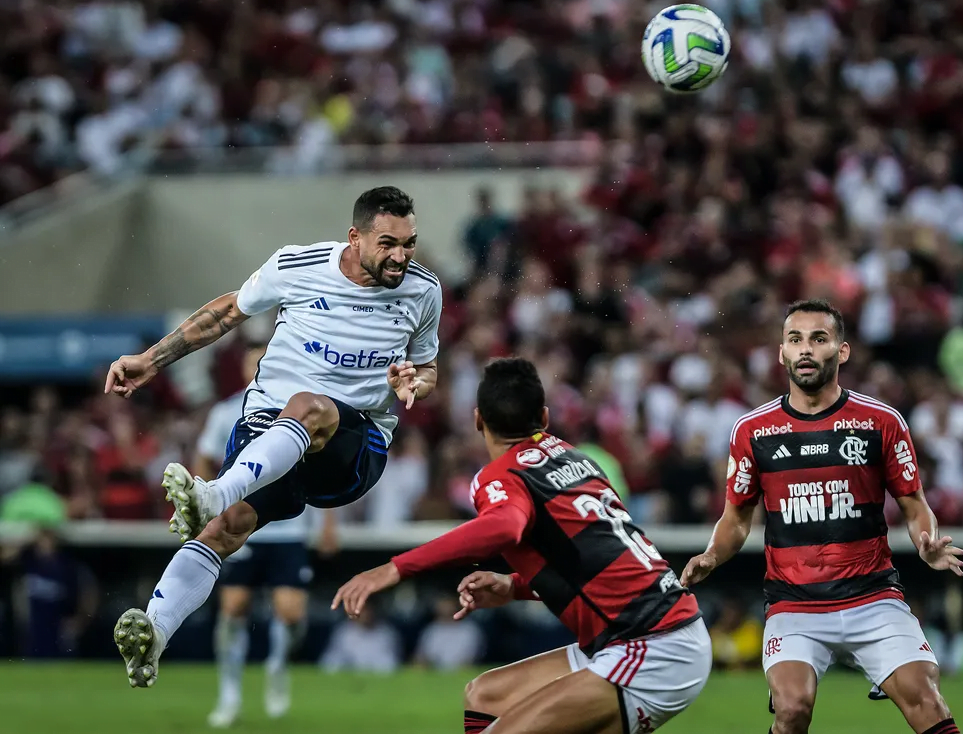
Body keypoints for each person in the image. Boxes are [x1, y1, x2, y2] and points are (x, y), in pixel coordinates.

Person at [106, 186, 443, 689]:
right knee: (226, 527)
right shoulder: (297, 265)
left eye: (409, 243)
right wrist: (151, 361)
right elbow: (226, 313)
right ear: (355, 237)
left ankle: (214, 492)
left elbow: (429, 366)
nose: (400, 256)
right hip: (270, 430)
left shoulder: (423, 290)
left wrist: (415, 381)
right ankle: (155, 635)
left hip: (356, 445)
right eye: (388, 243)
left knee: (310, 409)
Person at [333, 358, 710, 734]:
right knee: (485, 695)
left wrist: (394, 568)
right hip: (645, 632)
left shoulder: (499, 476)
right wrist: (513, 586)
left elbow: (506, 526)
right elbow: (599, 564)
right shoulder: (576, 459)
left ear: (478, 419)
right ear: (544, 417)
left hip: (653, 645)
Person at [681, 299, 963, 734]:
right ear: (782, 353)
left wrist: (926, 540)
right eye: (795, 340)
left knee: (928, 702)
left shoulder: (880, 421)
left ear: (842, 350)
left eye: (819, 338)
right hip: (795, 603)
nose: (806, 349)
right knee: (793, 709)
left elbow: (914, 504)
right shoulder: (752, 431)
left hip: (873, 597)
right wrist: (711, 555)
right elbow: (736, 520)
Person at [193, 342, 336, 727]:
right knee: (233, 609)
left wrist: (328, 523)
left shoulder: (305, 410)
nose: (256, 366)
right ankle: (229, 694)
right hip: (244, 529)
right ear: (242, 369)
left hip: (290, 527)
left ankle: (276, 668)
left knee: (291, 614)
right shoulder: (228, 411)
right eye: (250, 361)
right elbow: (204, 457)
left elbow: (324, 471)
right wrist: (203, 503)